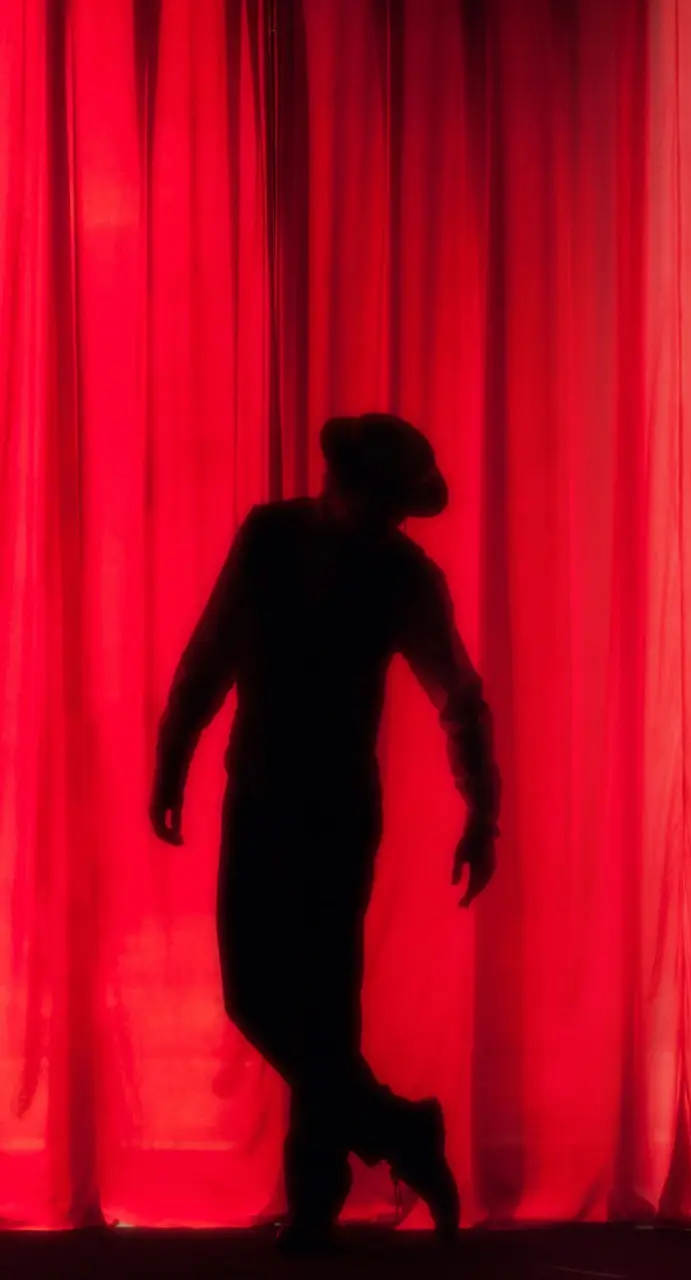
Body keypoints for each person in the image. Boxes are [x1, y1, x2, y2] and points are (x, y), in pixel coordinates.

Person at [150, 413, 499, 1254]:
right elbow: (211, 655)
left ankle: (316, 1205)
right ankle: (401, 1132)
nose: (385, 520)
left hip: (327, 801)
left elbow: (458, 696)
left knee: (318, 1010)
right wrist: (173, 754)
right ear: (345, 482)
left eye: (393, 508)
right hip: (275, 791)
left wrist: (481, 810)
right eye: (378, 501)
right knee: (266, 998)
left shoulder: (396, 573)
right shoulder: (276, 540)